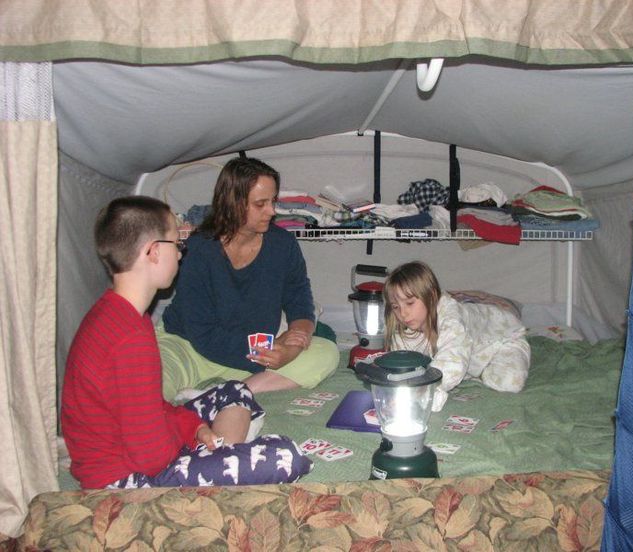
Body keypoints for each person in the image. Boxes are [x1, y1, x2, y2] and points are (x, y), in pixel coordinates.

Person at [61, 196, 311, 489]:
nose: (180, 255)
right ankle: (217, 460)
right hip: (122, 477)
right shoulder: (129, 338)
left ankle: (218, 454)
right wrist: (192, 443)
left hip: (137, 447)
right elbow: (152, 456)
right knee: (286, 456)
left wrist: (195, 428)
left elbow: (151, 408)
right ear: (153, 252)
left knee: (234, 390)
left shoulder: (122, 313)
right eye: (176, 244)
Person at [158, 157, 339, 400]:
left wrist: (293, 346)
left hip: (251, 352)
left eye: (273, 201)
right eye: (260, 204)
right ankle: (234, 388)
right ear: (233, 203)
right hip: (188, 348)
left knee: (327, 352)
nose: (272, 211)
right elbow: (203, 333)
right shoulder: (198, 250)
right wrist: (264, 354)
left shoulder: (282, 244)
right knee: (151, 382)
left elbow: (299, 300)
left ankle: (224, 394)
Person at [383, 261, 531, 412]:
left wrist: (422, 394)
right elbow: (402, 364)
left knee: (509, 384)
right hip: (472, 353)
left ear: (432, 295)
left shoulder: (451, 317)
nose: (403, 313)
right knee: (453, 366)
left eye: (409, 303)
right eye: (396, 306)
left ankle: (478, 370)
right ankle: (471, 370)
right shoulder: (405, 329)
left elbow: (452, 357)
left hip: (504, 339)